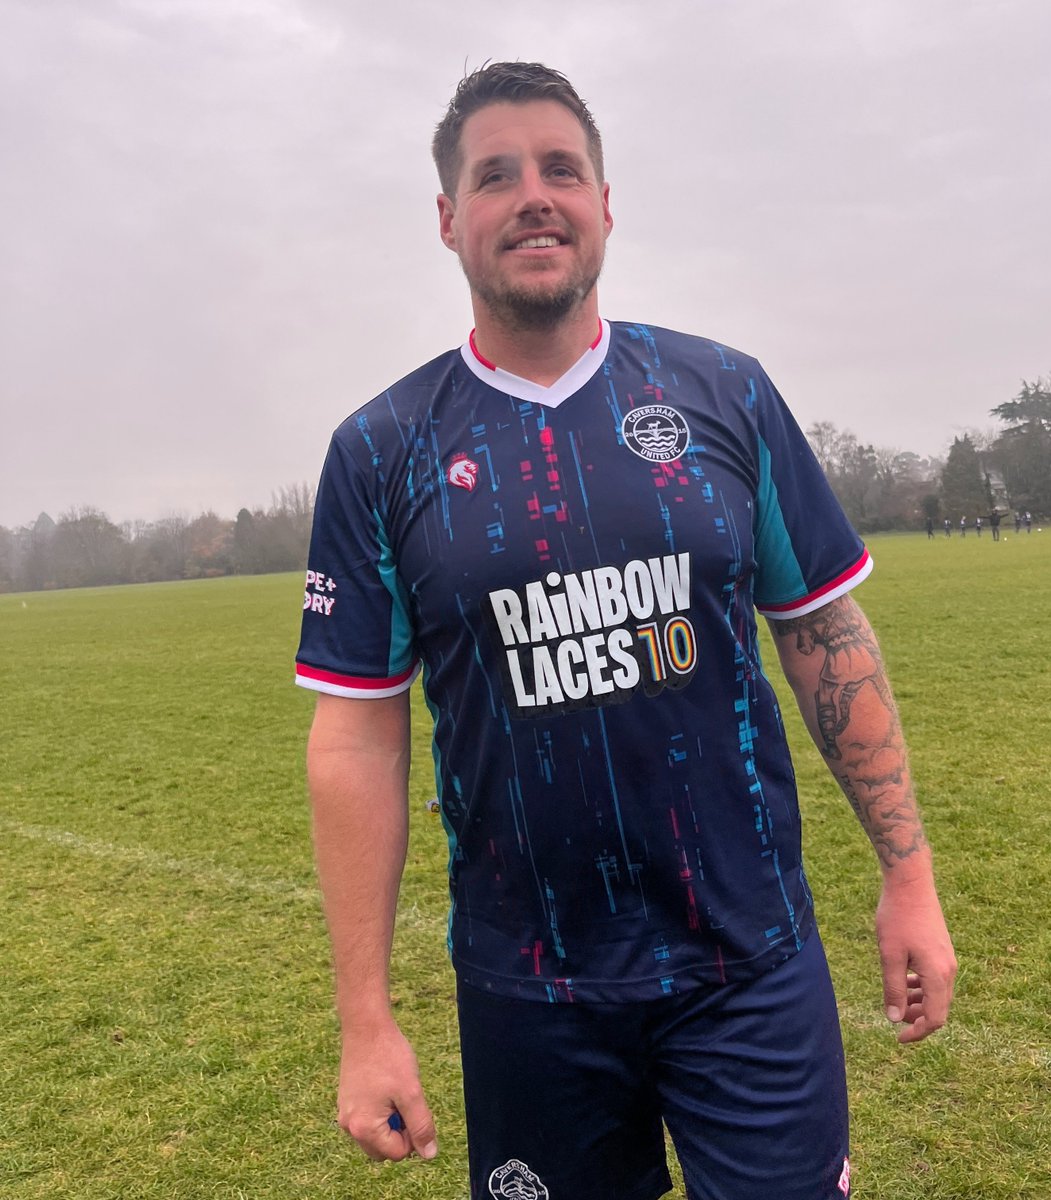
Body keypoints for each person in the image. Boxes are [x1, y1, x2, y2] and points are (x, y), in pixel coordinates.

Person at [296, 62, 956, 1200]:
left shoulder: (725, 394)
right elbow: (357, 739)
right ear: (450, 219)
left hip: (746, 959)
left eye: (562, 168)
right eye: (494, 176)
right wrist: (365, 1019)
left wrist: (910, 876)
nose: (533, 195)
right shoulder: (379, 450)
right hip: (529, 984)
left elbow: (824, 637)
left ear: (607, 202)